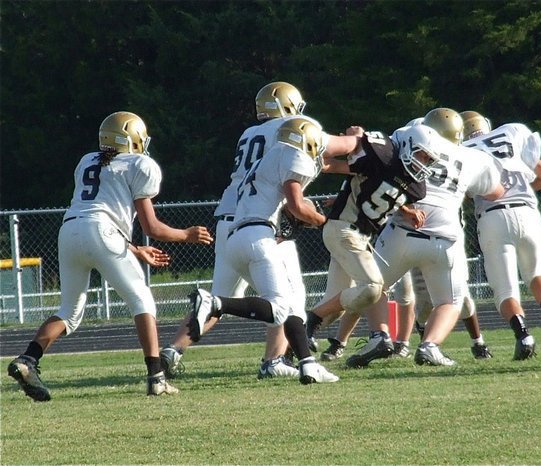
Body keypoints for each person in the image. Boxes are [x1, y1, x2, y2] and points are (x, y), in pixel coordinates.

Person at [7, 111, 213, 400]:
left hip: (69, 231)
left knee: (69, 311)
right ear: (133, 138)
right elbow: (151, 227)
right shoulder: (140, 164)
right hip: (103, 233)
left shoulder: (86, 161)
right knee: (142, 300)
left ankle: (28, 359)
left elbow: (94, 215)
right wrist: (186, 235)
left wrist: (133, 248)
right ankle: (156, 377)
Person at [159, 82, 308, 380]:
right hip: (258, 221)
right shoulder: (291, 130)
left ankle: (173, 350)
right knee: (288, 298)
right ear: (290, 106)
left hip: (228, 222)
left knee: (219, 298)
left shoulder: (248, 134)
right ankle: (274, 360)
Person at [188, 116, 345, 384]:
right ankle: (215, 302)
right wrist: (323, 222)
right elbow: (296, 204)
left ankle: (307, 365)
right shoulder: (293, 156)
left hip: (238, 237)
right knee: (281, 308)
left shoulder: (263, 161)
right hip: (258, 235)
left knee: (290, 302)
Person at [357, 108, 504, 367]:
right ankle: (430, 346)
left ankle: (379, 334)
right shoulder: (472, 157)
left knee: (372, 286)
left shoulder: (408, 135)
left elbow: (383, 155)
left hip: (401, 232)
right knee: (450, 301)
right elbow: (495, 192)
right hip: (443, 237)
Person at [303, 124, 435, 368]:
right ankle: (310, 320)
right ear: (406, 147)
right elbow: (339, 167)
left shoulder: (416, 186)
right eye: (421, 155)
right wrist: (352, 140)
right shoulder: (382, 156)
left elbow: (386, 188)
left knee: (335, 309)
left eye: (428, 158)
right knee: (373, 286)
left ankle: (294, 340)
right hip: (343, 229)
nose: (424, 162)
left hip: (360, 238)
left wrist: (406, 210)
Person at [460, 110, 541, 359]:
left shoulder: (464, 150)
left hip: (493, 217)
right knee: (536, 273)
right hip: (528, 212)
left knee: (505, 289)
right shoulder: (511, 139)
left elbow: (465, 193)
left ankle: (523, 335)